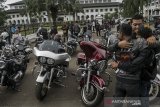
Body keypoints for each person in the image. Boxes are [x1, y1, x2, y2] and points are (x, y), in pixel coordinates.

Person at [110, 23, 152, 107]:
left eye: (119, 32)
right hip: (130, 82)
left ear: (121, 33)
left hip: (125, 81)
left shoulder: (138, 44)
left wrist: (118, 65)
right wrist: (117, 45)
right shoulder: (139, 44)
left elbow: (132, 65)